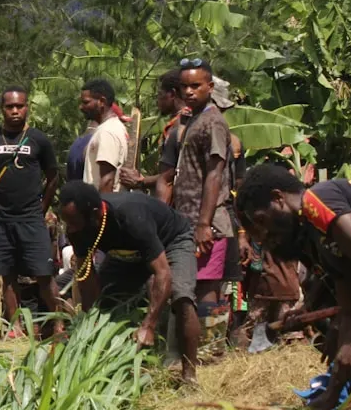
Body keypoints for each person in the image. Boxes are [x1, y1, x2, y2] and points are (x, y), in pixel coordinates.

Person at [235, 166, 351, 410]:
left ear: (278, 198)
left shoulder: (317, 200)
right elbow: (349, 305)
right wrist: (333, 391)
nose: (263, 235)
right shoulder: (315, 237)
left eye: (261, 221)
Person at [58, 181, 202, 382]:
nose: (70, 229)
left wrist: (148, 326)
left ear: (94, 215)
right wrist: (91, 320)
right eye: (67, 222)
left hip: (171, 242)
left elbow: (163, 273)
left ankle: (189, 376)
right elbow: (85, 276)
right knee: (107, 303)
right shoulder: (78, 229)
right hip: (127, 253)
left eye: (73, 222)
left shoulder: (130, 216)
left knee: (181, 296)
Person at [0, 87, 62, 339]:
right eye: (9, 106)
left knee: (43, 274)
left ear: (26, 108)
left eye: (19, 106)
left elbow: (53, 177)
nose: (14, 111)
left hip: (31, 219)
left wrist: (41, 208)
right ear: (2, 109)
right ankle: (15, 328)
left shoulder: (38, 140)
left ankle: (59, 325)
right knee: (8, 276)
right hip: (0, 220)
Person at [172, 59, 235, 344]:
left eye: (195, 86)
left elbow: (215, 173)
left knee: (207, 286)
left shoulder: (213, 122)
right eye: (184, 86)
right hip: (188, 220)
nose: (188, 92)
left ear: (209, 87)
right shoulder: (193, 120)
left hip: (208, 222)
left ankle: (210, 350)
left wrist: (204, 223)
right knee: (192, 285)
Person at [120, 69, 186, 202]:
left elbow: (172, 174)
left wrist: (141, 181)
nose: (157, 100)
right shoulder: (184, 121)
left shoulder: (179, 126)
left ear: (172, 94)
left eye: (160, 94)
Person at [79, 79, 128, 193]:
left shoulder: (107, 132)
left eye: (86, 102)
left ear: (101, 101)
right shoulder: (109, 128)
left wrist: (103, 204)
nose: (81, 107)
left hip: (102, 202)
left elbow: (107, 180)